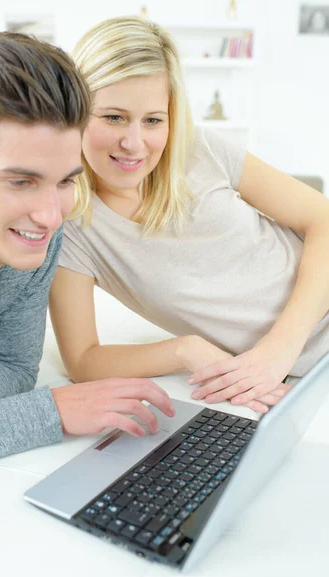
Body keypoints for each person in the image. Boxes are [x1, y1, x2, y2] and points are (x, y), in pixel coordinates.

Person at [49, 15, 329, 416]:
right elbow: (81, 360)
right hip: (301, 376)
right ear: (76, 112)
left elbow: (323, 219)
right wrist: (184, 350)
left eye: (153, 120)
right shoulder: (72, 225)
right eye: (113, 117)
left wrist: (279, 348)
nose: (134, 143)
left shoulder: (199, 150)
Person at [0, 31, 175, 478]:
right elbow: (23, 390)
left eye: (65, 181)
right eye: (21, 181)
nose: (49, 216)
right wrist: (49, 412)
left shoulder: (35, 240)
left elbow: (16, 369)